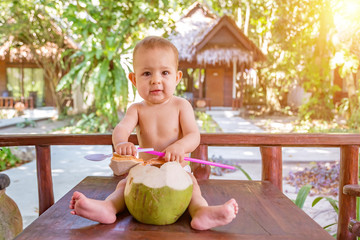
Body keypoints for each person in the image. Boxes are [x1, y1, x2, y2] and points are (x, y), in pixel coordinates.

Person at [69, 36, 238, 230]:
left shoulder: (181, 106)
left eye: (165, 72)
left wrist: (179, 146)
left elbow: (193, 135)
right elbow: (121, 129)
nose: (156, 80)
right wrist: (122, 143)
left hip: (177, 172)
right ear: (134, 79)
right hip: (144, 172)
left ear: (177, 78)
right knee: (124, 186)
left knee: (193, 187)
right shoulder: (137, 109)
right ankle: (108, 207)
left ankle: (201, 212)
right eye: (147, 73)